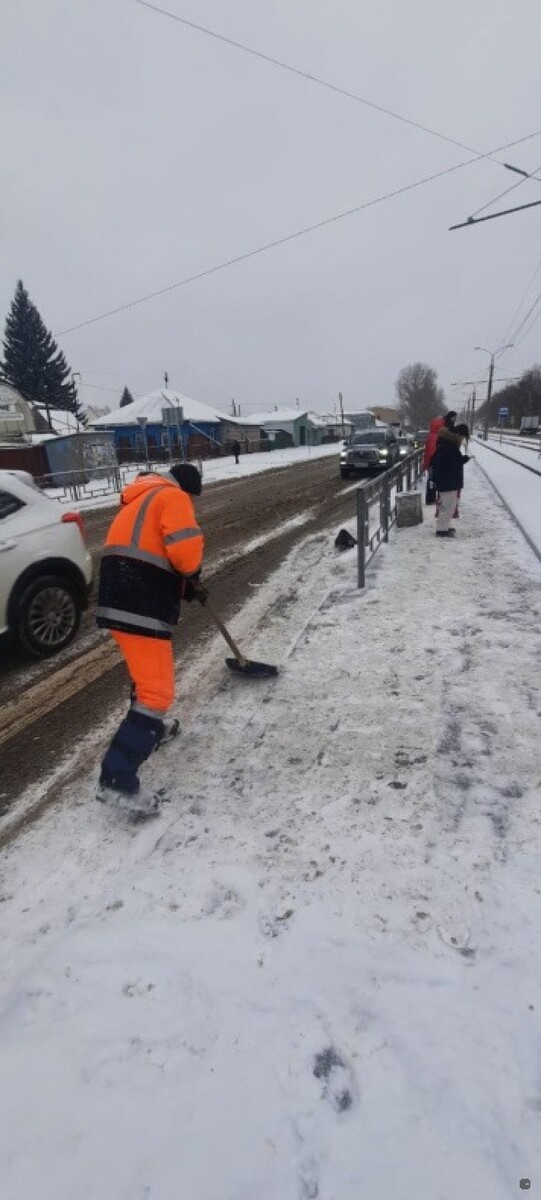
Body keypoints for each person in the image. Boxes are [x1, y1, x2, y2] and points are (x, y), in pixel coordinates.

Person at [95, 463, 206, 815]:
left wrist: (185, 586)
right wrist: (192, 575)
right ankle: (116, 780)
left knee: (147, 679)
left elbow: (151, 547)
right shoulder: (173, 497)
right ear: (187, 487)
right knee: (158, 692)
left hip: (120, 594)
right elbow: (184, 550)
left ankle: (150, 729)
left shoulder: (142, 497)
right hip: (139, 598)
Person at [430, 423, 471, 537]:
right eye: (462, 437)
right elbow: (451, 462)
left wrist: (461, 459)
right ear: (458, 434)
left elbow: (450, 461)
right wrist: (463, 459)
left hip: (447, 479)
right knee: (447, 505)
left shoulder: (447, 443)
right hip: (447, 480)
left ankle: (444, 526)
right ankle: (441, 529)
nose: (462, 439)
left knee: (449, 505)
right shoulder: (449, 445)